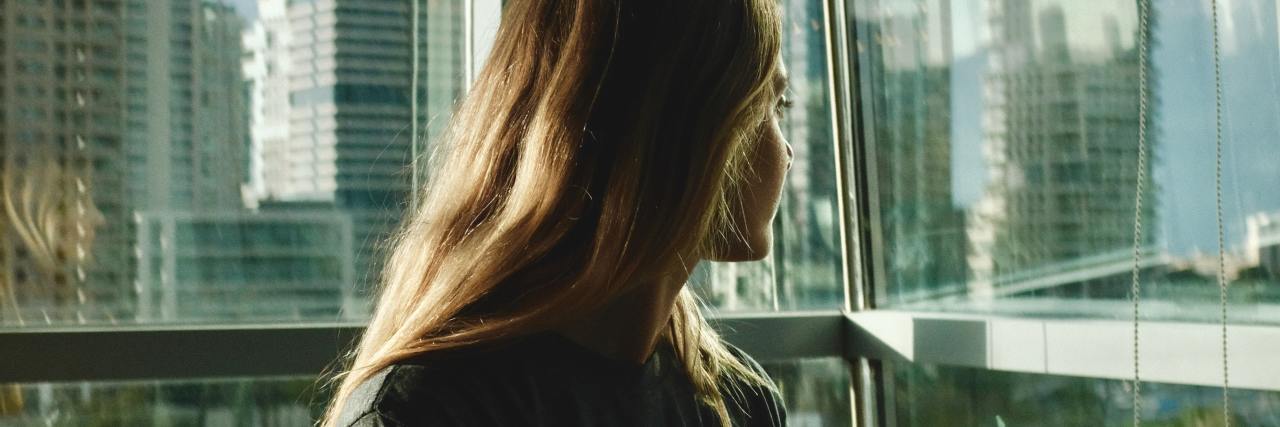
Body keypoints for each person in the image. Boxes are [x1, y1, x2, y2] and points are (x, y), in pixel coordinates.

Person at [324, 0, 794, 425]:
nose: (787, 151)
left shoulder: (744, 404)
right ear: (681, 131)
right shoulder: (426, 413)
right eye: (770, 106)